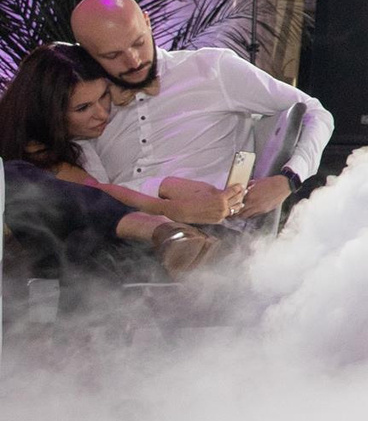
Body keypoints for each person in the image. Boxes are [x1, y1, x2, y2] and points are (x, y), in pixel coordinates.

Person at [68, 0, 332, 226]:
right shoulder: (85, 105)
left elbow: (315, 112)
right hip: (123, 232)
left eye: (138, 43)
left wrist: (289, 179)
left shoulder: (210, 69)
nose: (133, 60)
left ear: (147, 22)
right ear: (87, 53)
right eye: (112, 56)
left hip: (212, 231)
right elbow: (94, 191)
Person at [2, 44, 219, 296]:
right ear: (47, 113)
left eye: (104, 95)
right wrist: (167, 207)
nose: (102, 113)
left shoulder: (83, 138)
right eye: (83, 108)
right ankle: (166, 232)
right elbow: (93, 191)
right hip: (43, 267)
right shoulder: (24, 158)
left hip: (95, 264)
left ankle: (210, 249)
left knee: (87, 238)